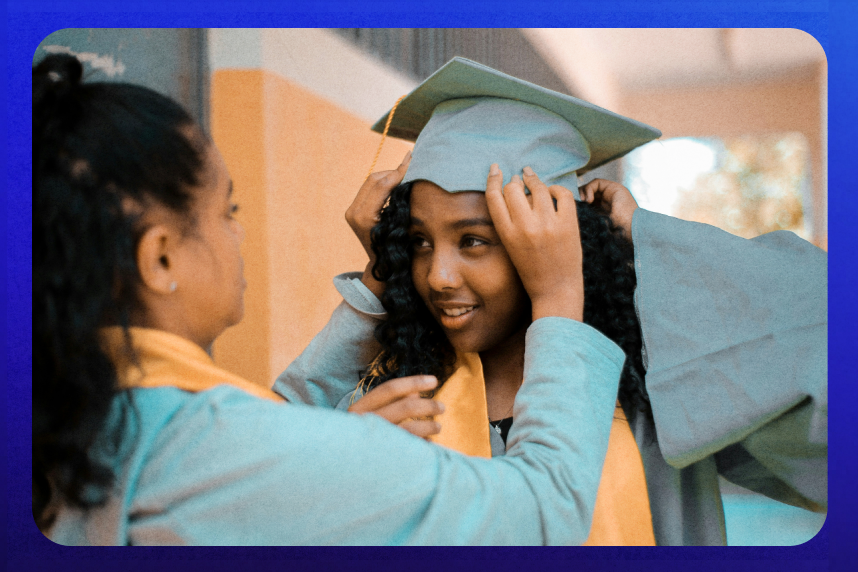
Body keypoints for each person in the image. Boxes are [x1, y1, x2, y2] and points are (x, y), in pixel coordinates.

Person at [33, 53, 628, 546]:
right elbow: (544, 511)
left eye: (473, 239)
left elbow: (270, 422)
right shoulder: (224, 447)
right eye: (226, 212)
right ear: (160, 258)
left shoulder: (86, 415)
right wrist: (557, 293)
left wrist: (376, 289)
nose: (440, 276)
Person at [275, 57, 828, 546]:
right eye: (419, 242)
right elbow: (271, 470)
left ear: (555, 241)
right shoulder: (398, 401)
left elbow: (825, 327)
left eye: (474, 240)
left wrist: (650, 239)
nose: (438, 276)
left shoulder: (655, 391)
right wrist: (378, 278)